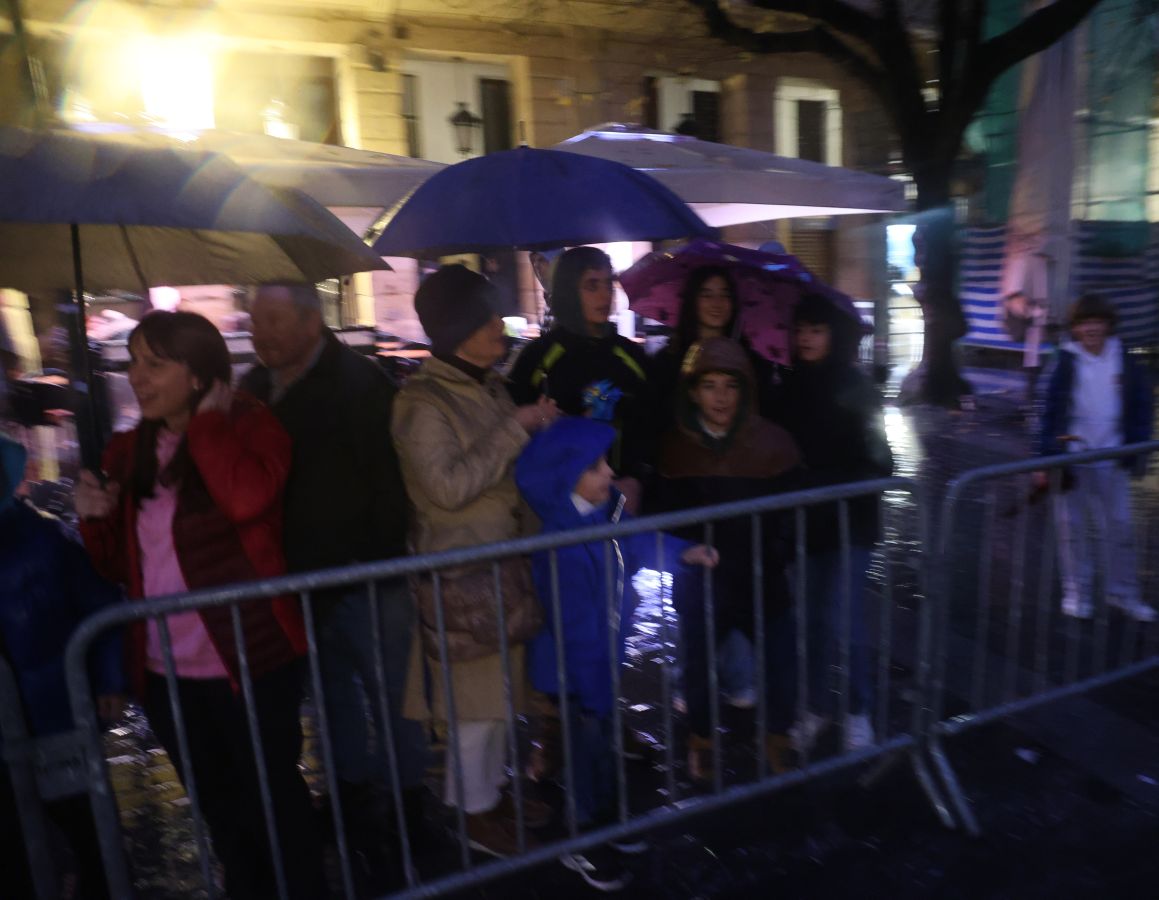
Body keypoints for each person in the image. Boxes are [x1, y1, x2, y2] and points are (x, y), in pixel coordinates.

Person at [75, 310, 326, 899]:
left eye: (154, 364)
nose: (136, 377)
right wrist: (95, 519)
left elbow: (246, 501)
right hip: (165, 672)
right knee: (219, 806)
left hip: (250, 660)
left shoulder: (251, 426)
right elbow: (120, 567)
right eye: (133, 362)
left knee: (273, 802)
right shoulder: (129, 448)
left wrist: (208, 427)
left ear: (197, 374)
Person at [239, 282, 429, 868]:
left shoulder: (360, 383)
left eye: (273, 320)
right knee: (329, 696)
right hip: (297, 578)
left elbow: (389, 482)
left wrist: (374, 557)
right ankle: (349, 797)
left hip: (365, 573)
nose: (260, 333)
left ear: (310, 322)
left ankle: (408, 808)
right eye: (255, 321)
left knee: (393, 697)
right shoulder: (253, 388)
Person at [392, 265, 559, 857]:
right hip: (462, 575)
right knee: (474, 707)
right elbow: (446, 487)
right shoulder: (421, 402)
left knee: (503, 697)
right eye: (488, 318)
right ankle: (472, 813)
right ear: (459, 329)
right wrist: (517, 427)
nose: (500, 327)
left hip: (504, 566)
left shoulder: (488, 384)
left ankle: (492, 792)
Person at [515, 417, 718, 892]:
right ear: (567, 478)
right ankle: (582, 835)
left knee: (604, 750)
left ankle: (608, 820)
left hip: (599, 663)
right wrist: (594, 688)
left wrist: (683, 552)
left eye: (606, 462)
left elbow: (639, 540)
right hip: (575, 673)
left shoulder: (604, 512)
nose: (609, 472)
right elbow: (574, 628)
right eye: (595, 467)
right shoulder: (560, 544)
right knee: (586, 756)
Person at [652, 338, 801, 778]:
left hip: (763, 574)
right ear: (693, 392)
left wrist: (777, 551)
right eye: (709, 385)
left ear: (745, 390)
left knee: (781, 660)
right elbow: (665, 512)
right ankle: (700, 737)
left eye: (730, 386)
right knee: (698, 666)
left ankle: (778, 735)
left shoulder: (774, 442)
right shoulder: (675, 447)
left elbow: (793, 511)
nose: (720, 397)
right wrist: (684, 553)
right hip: (703, 578)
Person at [0, 433, 125, 900]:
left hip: (56, 723)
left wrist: (110, 680)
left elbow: (101, 606)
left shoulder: (46, 538)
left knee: (91, 837)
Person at [773, 293, 893, 756]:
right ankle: (815, 706)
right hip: (805, 528)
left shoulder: (857, 387)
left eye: (816, 330)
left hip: (850, 524)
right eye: (800, 330)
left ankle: (859, 710)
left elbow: (881, 459)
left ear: (834, 336)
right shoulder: (786, 389)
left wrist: (826, 482)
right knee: (810, 622)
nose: (806, 338)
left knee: (845, 618)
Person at [508, 246, 655, 514]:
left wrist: (637, 478)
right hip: (558, 502)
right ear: (569, 290)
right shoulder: (537, 357)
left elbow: (652, 422)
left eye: (609, 284)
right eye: (592, 285)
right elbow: (517, 428)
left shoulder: (632, 355)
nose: (605, 295)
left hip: (626, 495)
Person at [1036, 293, 1154, 621]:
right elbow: (1048, 412)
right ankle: (1077, 594)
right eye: (1084, 322)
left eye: (1097, 321)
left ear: (1108, 325)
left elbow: (1141, 405)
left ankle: (1123, 593)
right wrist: (1046, 458)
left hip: (1113, 457)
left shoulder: (1123, 358)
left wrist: (1136, 449)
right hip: (1073, 460)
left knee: (1121, 528)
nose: (1091, 328)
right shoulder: (1064, 361)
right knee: (1071, 530)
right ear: (1075, 328)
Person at [649, 265, 777, 434]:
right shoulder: (669, 360)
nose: (717, 303)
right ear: (693, 301)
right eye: (707, 295)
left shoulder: (752, 362)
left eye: (725, 295)